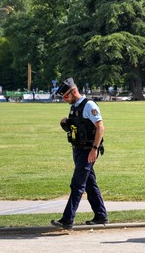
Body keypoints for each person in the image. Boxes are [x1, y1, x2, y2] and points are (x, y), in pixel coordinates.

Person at [51, 77, 108, 230]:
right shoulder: (74, 106)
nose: (64, 100)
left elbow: (100, 127)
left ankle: (67, 220)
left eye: (65, 96)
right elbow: (78, 128)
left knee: (77, 184)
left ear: (73, 91)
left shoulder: (89, 105)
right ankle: (101, 215)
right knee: (90, 184)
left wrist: (94, 149)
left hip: (87, 151)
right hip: (78, 150)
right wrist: (66, 124)